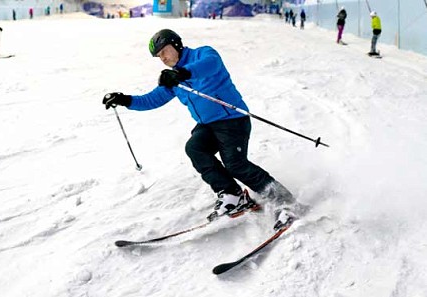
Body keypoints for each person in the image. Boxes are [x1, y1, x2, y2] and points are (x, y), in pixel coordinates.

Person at [102, 29, 298, 230]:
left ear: (176, 45)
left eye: (164, 51)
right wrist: (125, 100)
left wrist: (181, 73)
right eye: (158, 56)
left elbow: (209, 65)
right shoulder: (172, 78)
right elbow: (152, 99)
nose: (162, 58)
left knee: (235, 164)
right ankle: (232, 194)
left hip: (232, 120)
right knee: (195, 148)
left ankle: (285, 202)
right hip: (207, 125)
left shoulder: (202, 54)